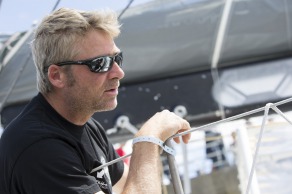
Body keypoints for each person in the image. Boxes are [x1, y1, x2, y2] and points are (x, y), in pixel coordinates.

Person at [0, 7, 191, 194]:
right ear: (57, 76)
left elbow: (129, 187)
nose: (119, 72)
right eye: (100, 63)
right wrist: (148, 140)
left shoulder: (86, 126)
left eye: (117, 58)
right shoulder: (38, 146)